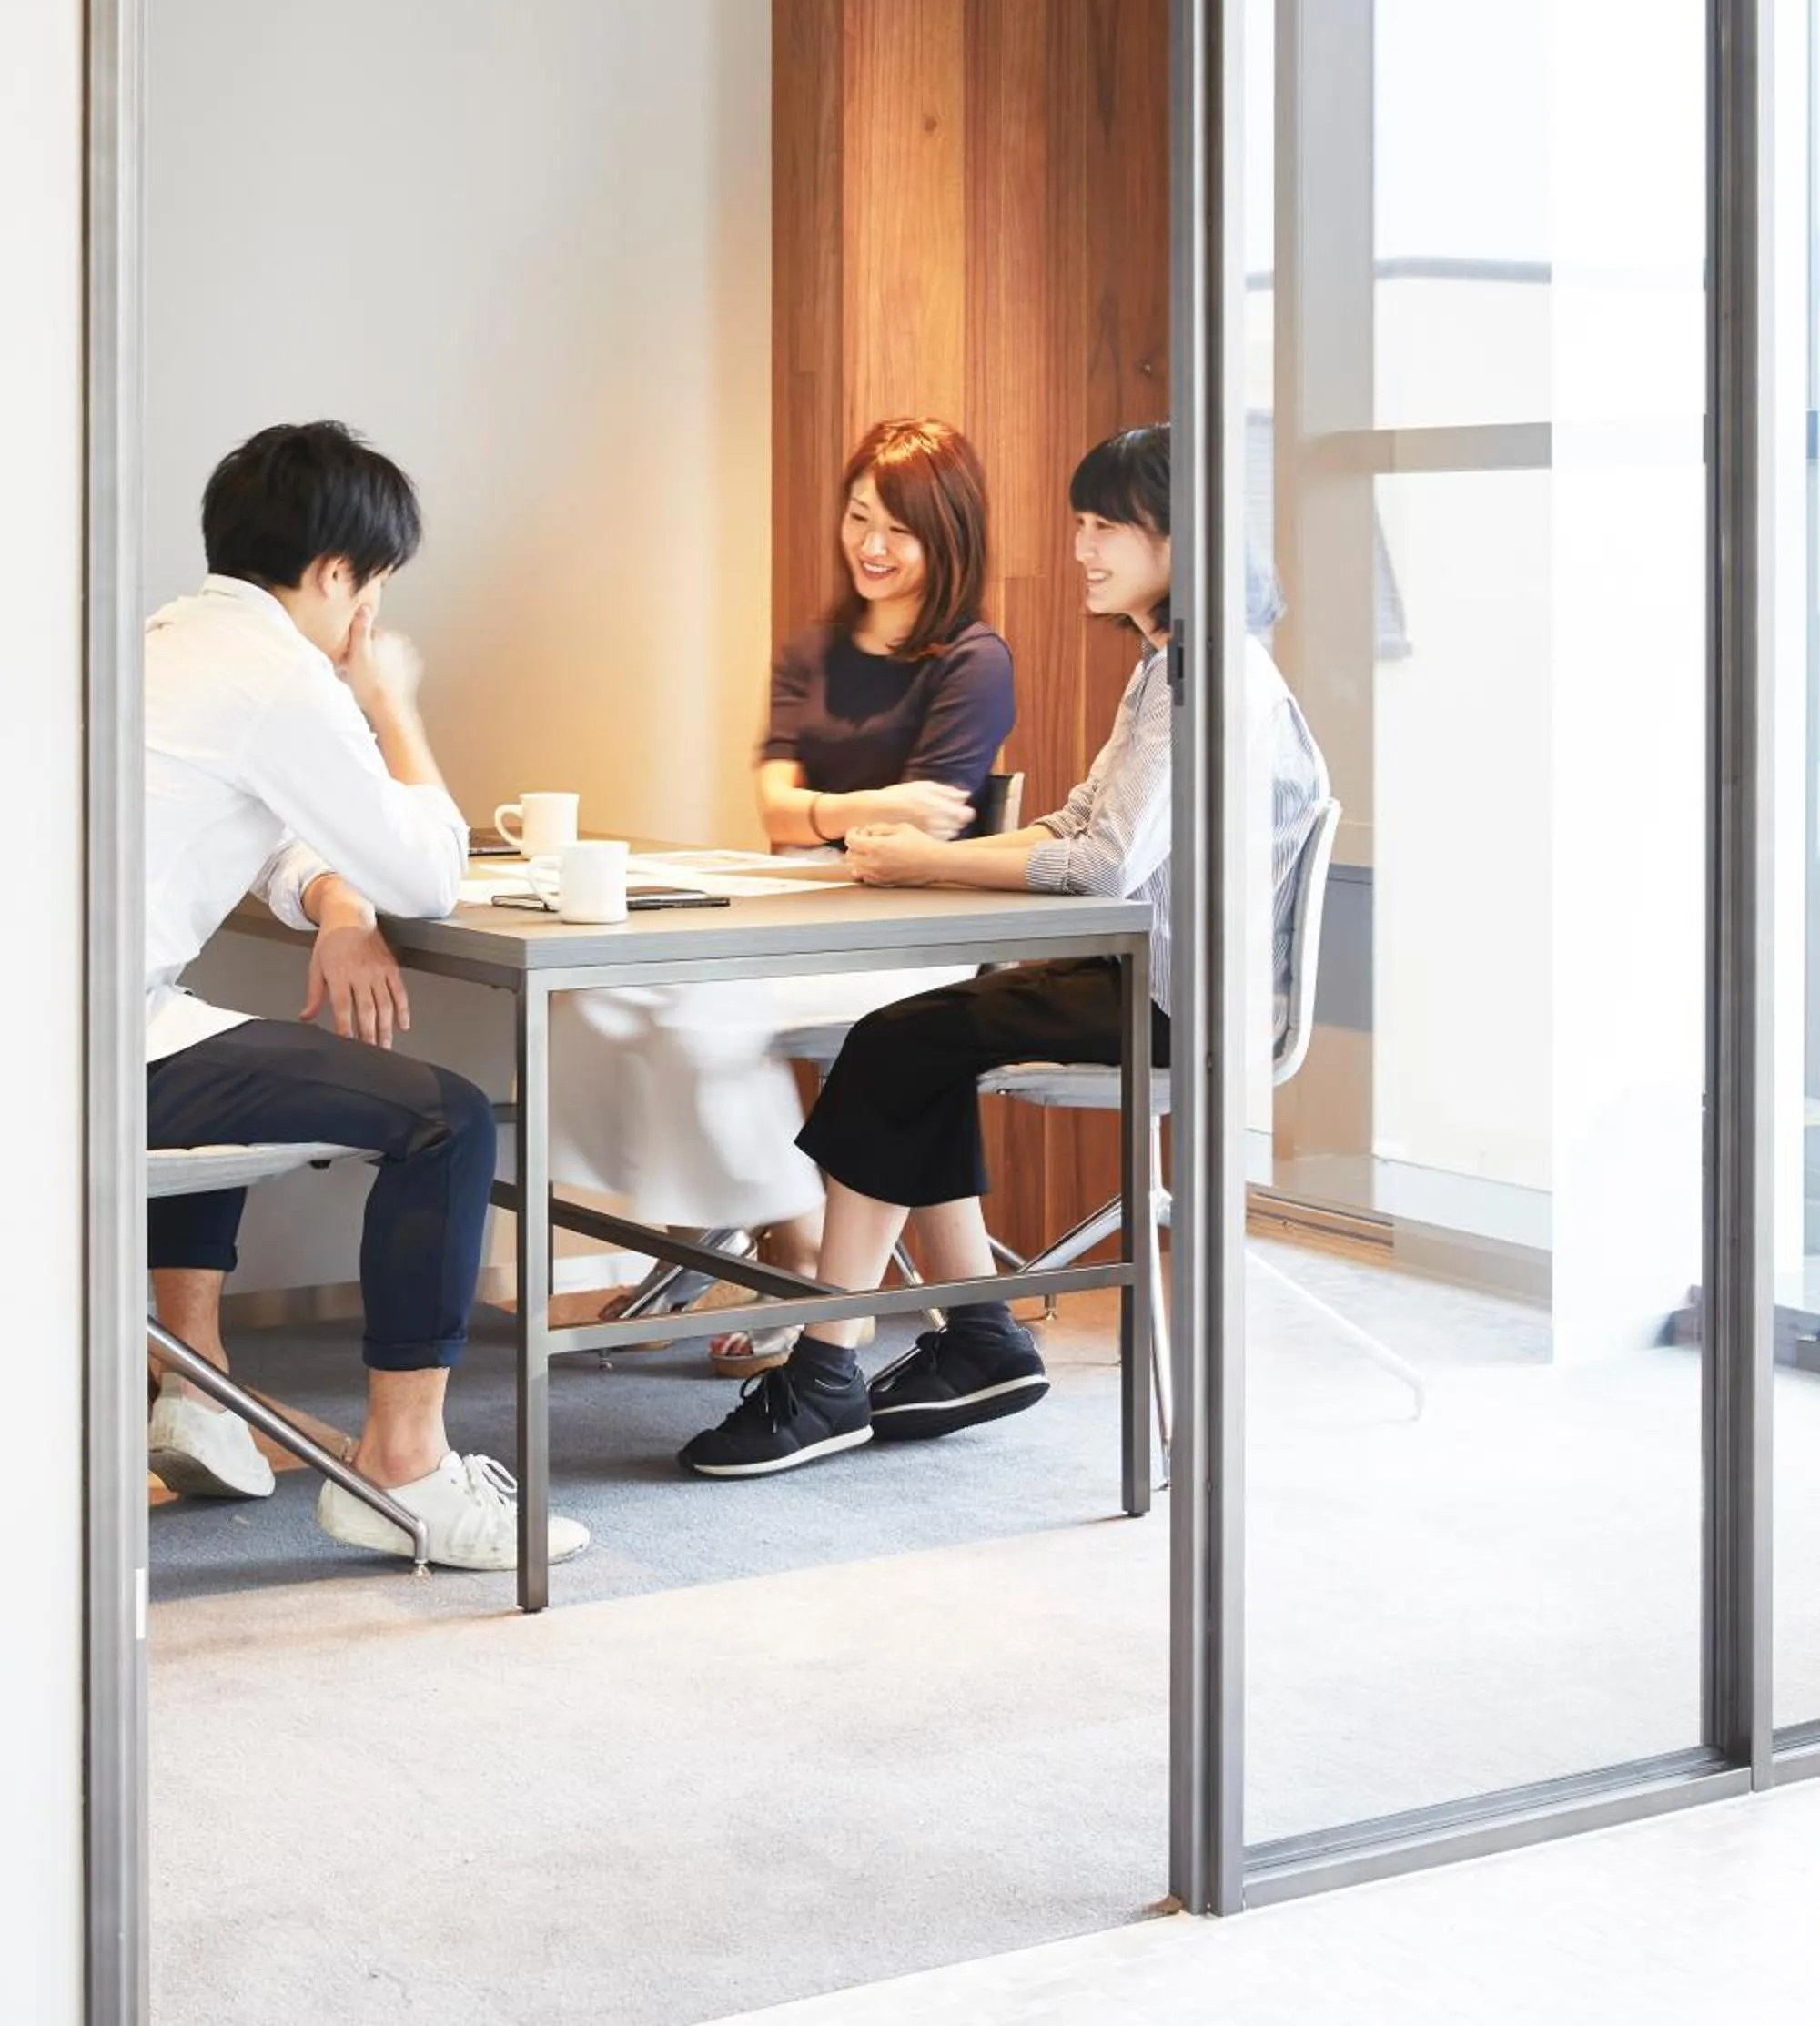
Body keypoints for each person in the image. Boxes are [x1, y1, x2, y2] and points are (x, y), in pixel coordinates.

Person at [677, 421, 1327, 1479]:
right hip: (1163, 976)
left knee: (893, 1045)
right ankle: (974, 1336)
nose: (1080, 546)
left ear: (1177, 537)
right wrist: (919, 860)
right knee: (909, 1041)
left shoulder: (1193, 674)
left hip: (1174, 997)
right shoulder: (1179, 660)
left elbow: (1100, 867)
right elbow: (1078, 824)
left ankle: (829, 1364)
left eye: (1104, 525)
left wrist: (919, 865)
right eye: (1080, 522)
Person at [145, 420, 588, 1573]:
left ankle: (191, 1390)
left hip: (79, 1026)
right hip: (84, 1054)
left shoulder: (168, 641)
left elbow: (276, 834)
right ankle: (404, 1468)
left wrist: (339, 911)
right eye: (374, 587)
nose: (369, 617)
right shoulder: (285, 676)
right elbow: (429, 872)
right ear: (339, 573)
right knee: (445, 1116)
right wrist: (390, 702)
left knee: (227, 1051)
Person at [548, 418, 1016, 1364]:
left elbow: (921, 829)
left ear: (948, 537)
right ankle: (745, 1228)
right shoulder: (813, 647)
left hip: (911, 932)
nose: (870, 547)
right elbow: (771, 806)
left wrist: (830, 810)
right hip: (801, 900)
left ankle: (789, 1239)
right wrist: (863, 806)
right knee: (604, 989)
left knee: (704, 1009)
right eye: (857, 518)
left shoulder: (973, 660)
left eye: (899, 530)